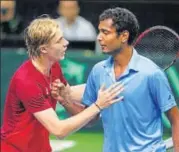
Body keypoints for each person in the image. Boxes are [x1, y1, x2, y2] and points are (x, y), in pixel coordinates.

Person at [51, 7, 179, 152]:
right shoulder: (98, 71)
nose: (99, 37)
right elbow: (90, 118)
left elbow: (175, 119)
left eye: (105, 32)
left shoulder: (152, 73)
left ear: (124, 36)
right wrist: (66, 101)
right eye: (99, 31)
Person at [0, 16, 124, 152]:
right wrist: (98, 105)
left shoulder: (53, 67)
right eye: (59, 40)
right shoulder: (27, 81)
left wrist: (113, 84)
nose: (66, 43)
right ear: (44, 49)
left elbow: (71, 96)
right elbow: (59, 130)